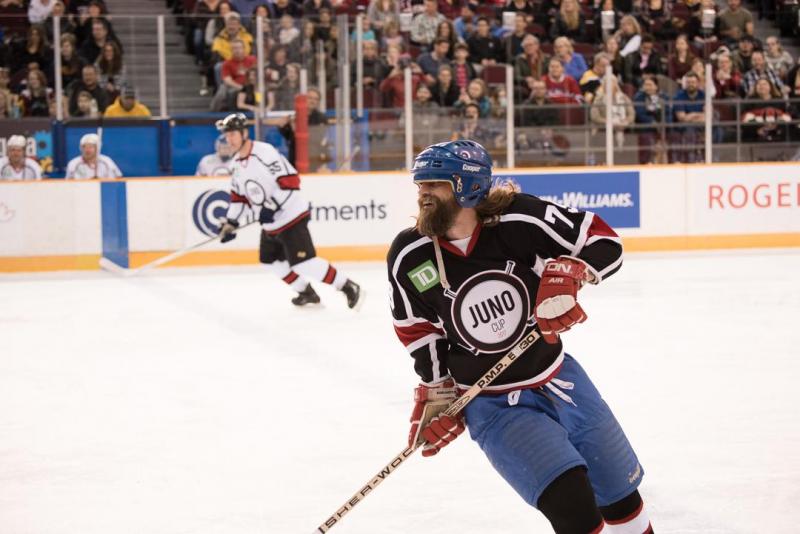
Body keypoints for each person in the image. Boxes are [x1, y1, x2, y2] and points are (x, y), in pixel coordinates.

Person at [388, 140, 652, 534]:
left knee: (623, 500)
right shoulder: (410, 254)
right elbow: (417, 329)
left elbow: (603, 241)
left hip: (563, 380)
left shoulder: (521, 219)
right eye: (420, 185)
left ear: (467, 186)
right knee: (577, 515)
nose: (423, 193)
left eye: (435, 184)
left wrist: (574, 272)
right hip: (495, 406)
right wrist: (439, 390)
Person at [215, 113, 363, 308]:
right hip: (271, 225)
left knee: (304, 263)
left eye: (233, 134)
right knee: (270, 260)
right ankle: (306, 292)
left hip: (291, 217)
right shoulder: (236, 165)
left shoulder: (264, 152)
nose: (229, 139)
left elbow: (291, 182)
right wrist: (231, 222)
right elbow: (239, 198)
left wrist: (270, 207)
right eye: (227, 135)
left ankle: (347, 286)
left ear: (244, 133)